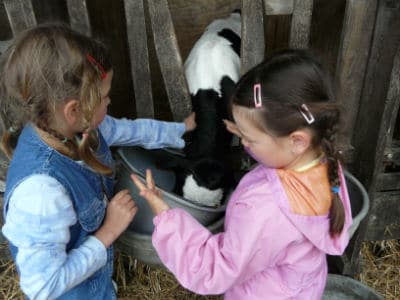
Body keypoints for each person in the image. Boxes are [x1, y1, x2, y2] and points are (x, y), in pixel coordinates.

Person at [132, 49, 353, 299]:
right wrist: (253, 134)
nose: (246, 144)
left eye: (251, 140)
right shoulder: (323, 159)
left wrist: (165, 216)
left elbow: (215, 269)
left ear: (297, 140)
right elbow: (281, 152)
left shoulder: (264, 208)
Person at [0, 24, 195, 300]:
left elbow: (131, 130)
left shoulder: (76, 127)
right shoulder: (41, 195)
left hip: (96, 280)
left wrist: (179, 130)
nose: (110, 102)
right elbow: (43, 287)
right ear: (73, 110)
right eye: (104, 98)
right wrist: (109, 231)